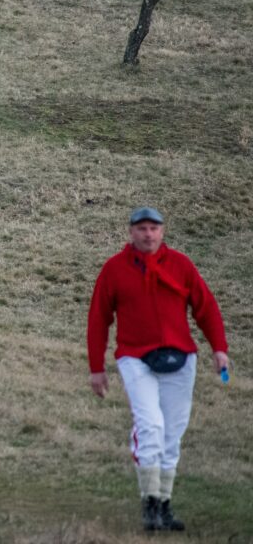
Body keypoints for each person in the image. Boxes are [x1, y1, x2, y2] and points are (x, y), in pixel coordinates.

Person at [86, 207, 230, 533]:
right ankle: (149, 503)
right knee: (150, 426)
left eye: (153, 228)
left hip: (181, 360)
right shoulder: (114, 270)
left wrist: (219, 349)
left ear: (162, 232)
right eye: (141, 228)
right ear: (130, 232)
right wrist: (97, 368)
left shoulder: (181, 265)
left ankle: (164, 505)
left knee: (172, 433)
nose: (147, 234)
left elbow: (205, 307)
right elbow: (98, 319)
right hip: (136, 358)